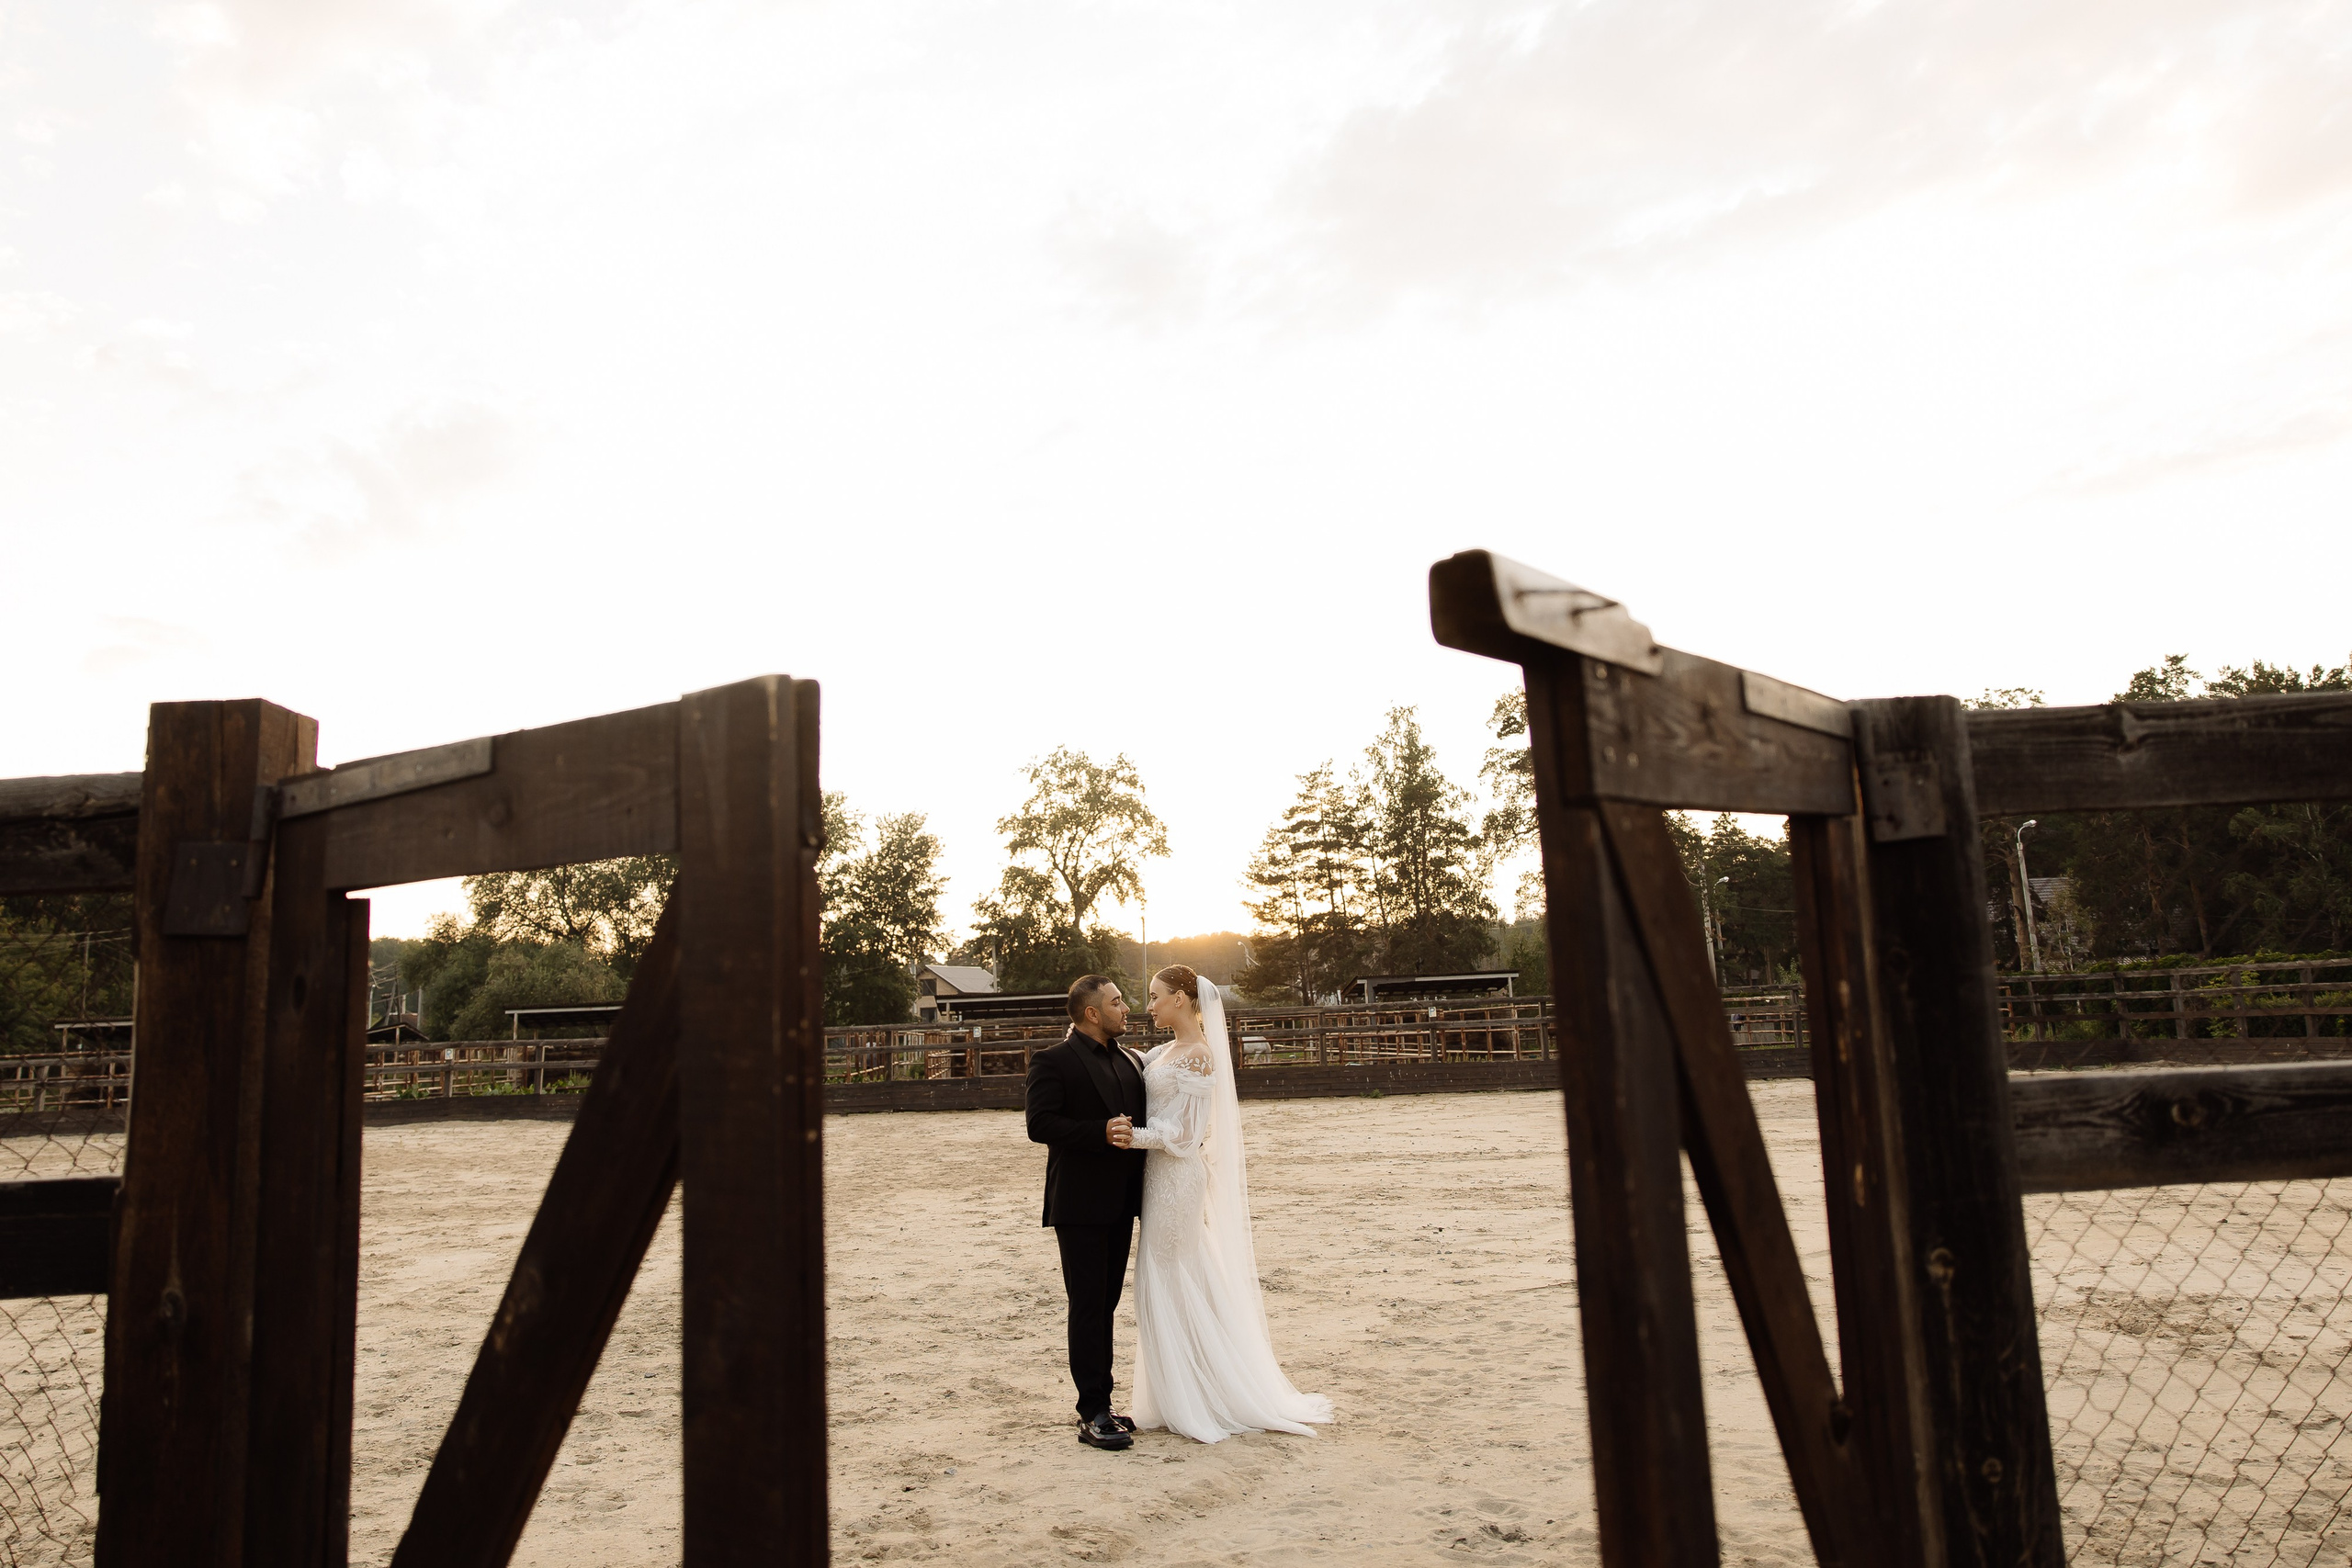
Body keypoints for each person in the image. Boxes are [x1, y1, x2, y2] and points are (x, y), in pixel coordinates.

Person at [1125, 964, 1332, 1443]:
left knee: (1169, 1274)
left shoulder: (1200, 1055)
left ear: (1181, 997)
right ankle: (1183, 1385)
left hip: (1177, 1175)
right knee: (1171, 1275)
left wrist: (1131, 1137)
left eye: (1155, 996)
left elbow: (1188, 1133)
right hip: (1158, 1177)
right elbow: (1140, 1067)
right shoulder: (1165, 1051)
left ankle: (1198, 1394)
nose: (1149, 1005)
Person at [1024, 973, 1149, 1450]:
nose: (1127, 1009)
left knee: (1107, 1304)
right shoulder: (1053, 1060)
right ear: (1092, 1013)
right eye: (1118, 1002)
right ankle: (1091, 1412)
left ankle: (1105, 1403)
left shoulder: (1130, 1060)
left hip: (1122, 1203)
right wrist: (1098, 1131)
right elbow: (1040, 1124)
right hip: (1078, 1204)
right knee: (1087, 1307)